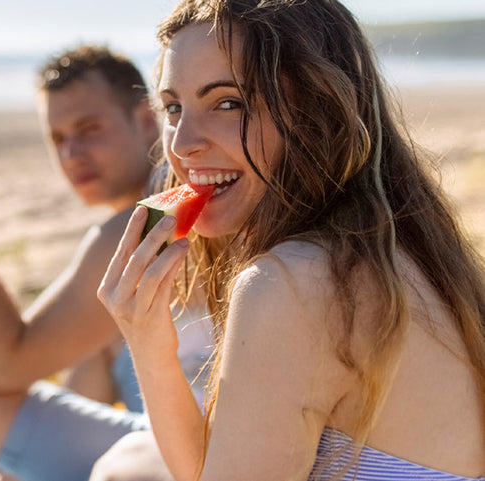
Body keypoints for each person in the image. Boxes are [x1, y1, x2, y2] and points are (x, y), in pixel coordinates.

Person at [97, 0, 485, 480]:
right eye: (174, 107)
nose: (181, 144)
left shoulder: (293, 283)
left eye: (228, 102)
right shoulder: (408, 255)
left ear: (315, 111)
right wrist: (149, 344)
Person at [0, 45, 214, 481]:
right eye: (59, 138)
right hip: (171, 439)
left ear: (146, 120)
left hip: (190, 456)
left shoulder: (150, 220)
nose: (72, 154)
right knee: (101, 337)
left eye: (89, 129)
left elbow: (6, 366)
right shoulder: (187, 200)